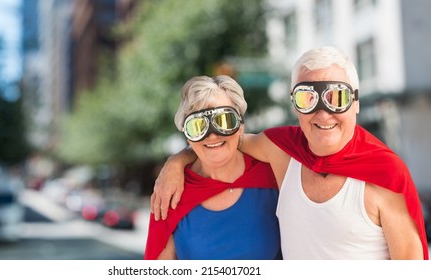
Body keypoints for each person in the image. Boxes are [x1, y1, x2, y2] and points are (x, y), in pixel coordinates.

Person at [151, 46, 429, 260]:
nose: (323, 112)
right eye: (308, 98)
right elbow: (220, 140)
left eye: (338, 97)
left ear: (355, 102)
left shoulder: (385, 176)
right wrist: (176, 161)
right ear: (295, 106)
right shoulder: (283, 152)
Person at [144, 75, 281, 260]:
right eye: (199, 126)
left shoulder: (273, 174)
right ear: (187, 136)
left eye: (224, 121)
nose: (212, 135)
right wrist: (175, 161)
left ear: (240, 126)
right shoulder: (170, 194)